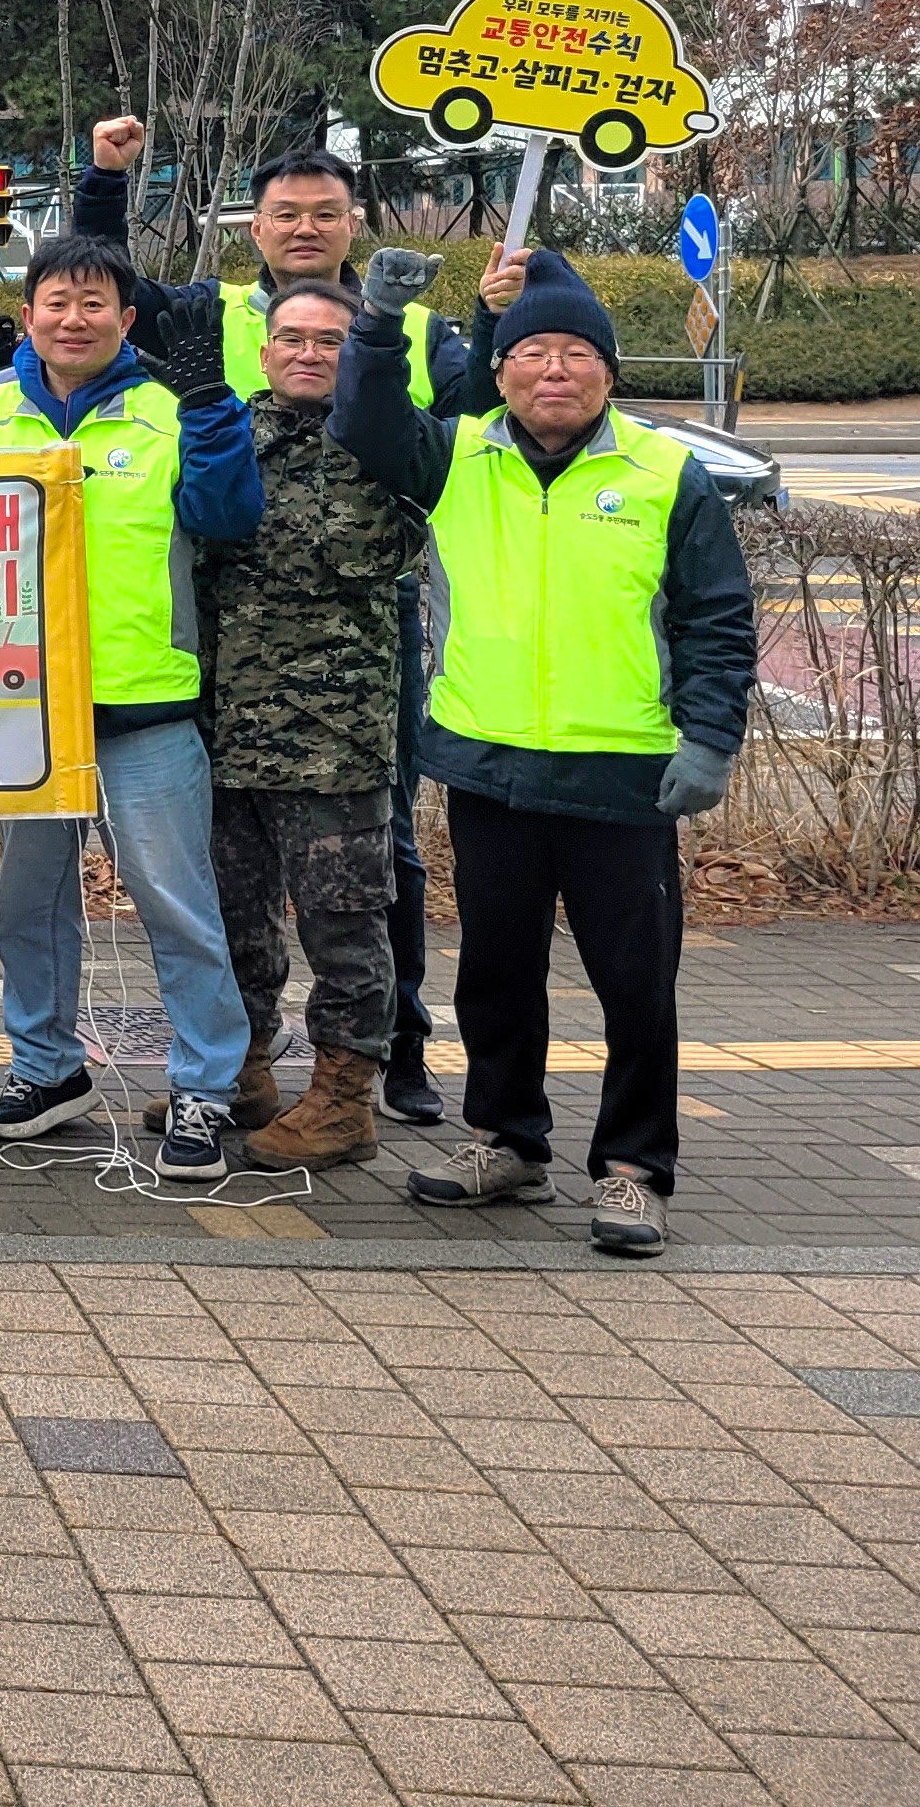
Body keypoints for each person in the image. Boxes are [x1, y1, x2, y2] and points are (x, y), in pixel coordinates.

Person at [73, 116, 495, 1122]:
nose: (305, 228)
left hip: (350, 682)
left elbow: (467, 419)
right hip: (225, 691)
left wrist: (478, 316)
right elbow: (108, 288)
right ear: (253, 228)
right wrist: (103, 179)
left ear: (356, 221)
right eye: (284, 214)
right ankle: (242, 1073)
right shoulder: (216, 330)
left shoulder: (410, 354)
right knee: (236, 895)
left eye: (326, 213)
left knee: (362, 880)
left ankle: (380, 1068)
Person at [343, 249, 757, 1257]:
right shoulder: (461, 454)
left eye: (577, 353)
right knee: (495, 969)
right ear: (504, 368)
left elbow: (717, 619)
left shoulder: (665, 473)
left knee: (634, 982)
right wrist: (379, 320)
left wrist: (709, 741)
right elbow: (364, 427)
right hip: (491, 766)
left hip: (626, 776)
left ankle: (631, 1169)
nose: (554, 372)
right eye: (532, 352)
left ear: (609, 373)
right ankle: (504, 1138)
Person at [0, 235, 262, 1179]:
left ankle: (205, 1091)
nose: (74, 318)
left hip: (145, 707)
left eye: (95, 303)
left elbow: (228, 519)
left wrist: (213, 409)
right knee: (28, 908)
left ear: (127, 320)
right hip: (22, 712)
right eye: (57, 301)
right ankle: (47, 1069)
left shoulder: (178, 411)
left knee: (177, 907)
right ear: (31, 315)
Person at [198, 268, 445, 1168]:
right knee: (234, 918)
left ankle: (344, 1100)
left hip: (335, 745)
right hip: (226, 734)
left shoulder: (390, 445)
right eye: (292, 339)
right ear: (264, 353)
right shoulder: (231, 436)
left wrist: (386, 337)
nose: (308, 354)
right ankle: (242, 1071)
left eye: (329, 341)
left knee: (344, 925)